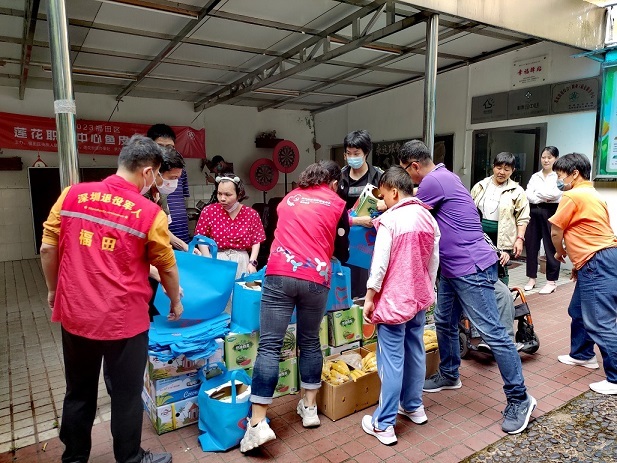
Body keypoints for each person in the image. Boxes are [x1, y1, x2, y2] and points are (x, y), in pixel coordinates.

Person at [39, 135, 182, 463]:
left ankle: (74, 459)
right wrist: (174, 302)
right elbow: (167, 268)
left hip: (76, 315)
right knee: (125, 396)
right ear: (148, 173)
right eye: (158, 175)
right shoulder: (149, 213)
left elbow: (48, 246)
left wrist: (52, 290)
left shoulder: (72, 194)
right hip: (125, 322)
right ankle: (130, 459)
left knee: (78, 392)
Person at [399, 139, 536, 435]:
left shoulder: (434, 180)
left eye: (406, 174)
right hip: (451, 268)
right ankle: (449, 374)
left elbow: (406, 213)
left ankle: (520, 399)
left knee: (494, 334)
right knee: (445, 322)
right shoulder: (445, 176)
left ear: (413, 166)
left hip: (470, 267)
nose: (407, 181)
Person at [240, 161, 349, 452]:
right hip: (316, 278)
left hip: (279, 273)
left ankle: (257, 424)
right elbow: (342, 249)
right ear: (334, 182)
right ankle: (310, 409)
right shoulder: (337, 203)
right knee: (310, 342)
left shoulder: (288, 199)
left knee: (269, 346)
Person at [360, 166, 440, 446]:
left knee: (391, 361)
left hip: (394, 301)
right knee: (415, 351)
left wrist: (370, 297)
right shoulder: (427, 218)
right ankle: (414, 406)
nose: (383, 201)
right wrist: (428, 289)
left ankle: (384, 423)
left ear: (393, 191)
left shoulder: (391, 219)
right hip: (418, 298)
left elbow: (379, 264)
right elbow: (434, 261)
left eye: (383, 195)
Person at [549, 153, 617, 395]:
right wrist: (579, 263)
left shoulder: (573, 194)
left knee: (600, 320)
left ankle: (616, 377)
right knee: (578, 311)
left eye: (560, 175)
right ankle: (582, 354)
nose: (558, 180)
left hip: (597, 260)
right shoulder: (593, 194)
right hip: (598, 258)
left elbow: (556, 231)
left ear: (574, 173)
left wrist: (560, 254)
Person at [470, 152, 530, 286]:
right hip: (479, 234)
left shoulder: (517, 191)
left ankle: (502, 299)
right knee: (478, 266)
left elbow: (523, 217)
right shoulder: (481, 186)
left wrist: (520, 239)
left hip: (502, 236)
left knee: (501, 266)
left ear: (513, 170)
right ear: (493, 167)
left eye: (507, 169)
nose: (502, 172)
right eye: (499, 168)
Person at [337, 130, 383, 298]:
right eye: (348, 153)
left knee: (368, 284)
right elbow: (334, 211)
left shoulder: (379, 176)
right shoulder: (340, 177)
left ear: (366, 153)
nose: (352, 157)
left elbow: (390, 205)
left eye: (356, 153)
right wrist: (356, 221)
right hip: (345, 237)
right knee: (345, 284)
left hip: (370, 239)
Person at [194, 173, 265, 279]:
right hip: (217, 259)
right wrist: (208, 259)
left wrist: (252, 262)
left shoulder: (251, 214)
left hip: (242, 261)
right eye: (219, 194)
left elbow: (256, 240)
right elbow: (201, 237)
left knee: (240, 293)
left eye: (228, 194)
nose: (222, 198)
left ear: (239, 195)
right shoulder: (209, 211)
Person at [524, 146, 562, 294]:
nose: (546, 160)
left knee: (550, 245)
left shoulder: (559, 176)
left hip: (551, 212)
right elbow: (528, 194)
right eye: (543, 157)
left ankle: (551, 281)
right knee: (531, 244)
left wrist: (538, 193)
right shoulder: (535, 176)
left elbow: (556, 195)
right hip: (534, 211)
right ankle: (531, 278)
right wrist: (543, 195)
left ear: (556, 159)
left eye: (549, 157)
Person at [147, 124, 191, 246]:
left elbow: (163, 226)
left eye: (169, 147)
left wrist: (182, 245)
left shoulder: (163, 186)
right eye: (160, 146)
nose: (165, 151)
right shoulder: (140, 187)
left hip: (173, 232)